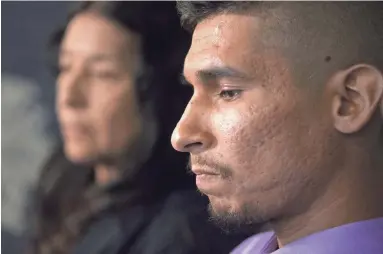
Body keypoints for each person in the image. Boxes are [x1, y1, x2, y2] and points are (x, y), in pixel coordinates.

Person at [27, 2, 249, 254]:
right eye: (65, 67)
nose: (69, 97)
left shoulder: (183, 231)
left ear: (162, 90)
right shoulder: (65, 181)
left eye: (101, 74)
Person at [171, 2, 383, 253]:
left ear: (351, 101)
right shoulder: (251, 248)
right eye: (192, 91)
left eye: (228, 92)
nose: (181, 135)